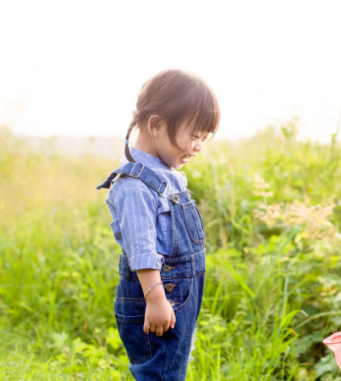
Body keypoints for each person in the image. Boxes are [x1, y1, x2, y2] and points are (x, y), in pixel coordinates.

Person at [97, 69, 220, 380]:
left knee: (170, 370)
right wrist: (155, 298)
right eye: (194, 136)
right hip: (158, 294)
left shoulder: (165, 173)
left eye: (204, 139)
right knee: (160, 373)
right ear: (155, 125)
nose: (197, 147)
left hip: (174, 296)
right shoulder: (134, 184)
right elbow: (142, 247)